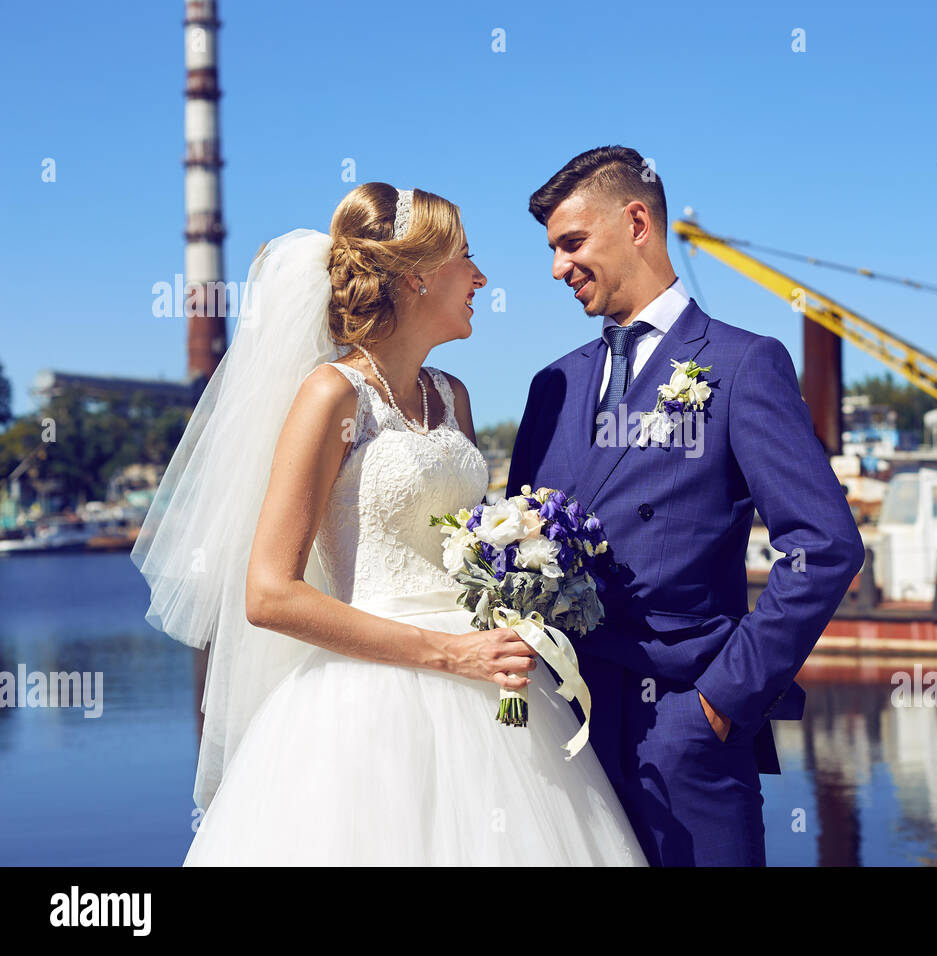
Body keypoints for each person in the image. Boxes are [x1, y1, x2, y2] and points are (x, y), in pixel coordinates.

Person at [131, 182, 646, 866]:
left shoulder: (451, 395)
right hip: (367, 701)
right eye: (466, 257)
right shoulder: (331, 396)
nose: (481, 277)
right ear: (416, 277)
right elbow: (269, 593)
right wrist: (449, 654)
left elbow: (462, 547)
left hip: (494, 692)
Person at [508, 146, 866, 866]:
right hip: (558, 738)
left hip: (684, 735)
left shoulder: (742, 364)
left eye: (572, 243)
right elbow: (520, 542)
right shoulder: (553, 384)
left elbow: (825, 545)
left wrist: (721, 701)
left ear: (636, 222)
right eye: (551, 249)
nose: (556, 268)